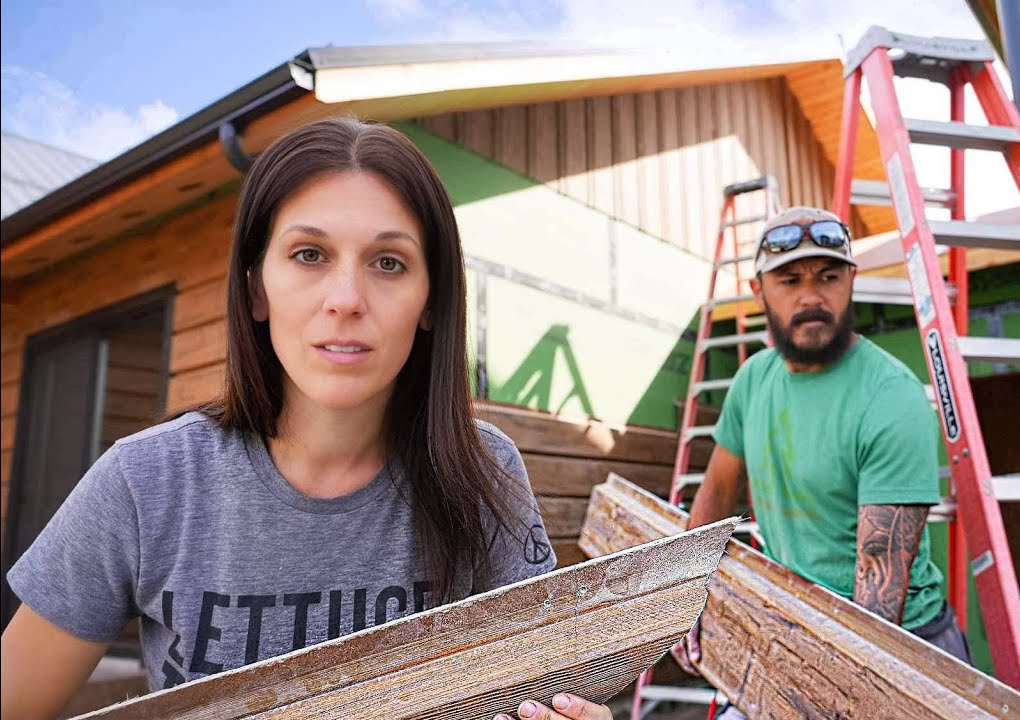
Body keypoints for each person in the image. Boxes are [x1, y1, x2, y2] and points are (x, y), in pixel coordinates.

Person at [0, 118, 610, 720]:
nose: (345, 298)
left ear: (431, 302)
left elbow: (539, 688)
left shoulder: (486, 472)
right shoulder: (146, 483)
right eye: (309, 254)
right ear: (256, 290)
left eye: (389, 263)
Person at [672, 207, 971, 714]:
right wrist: (683, 593)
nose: (812, 296)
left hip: (901, 647)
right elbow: (717, 493)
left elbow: (876, 604)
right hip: (800, 623)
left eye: (829, 277)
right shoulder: (752, 380)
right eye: (790, 279)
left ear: (851, 281)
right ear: (759, 288)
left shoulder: (889, 396)